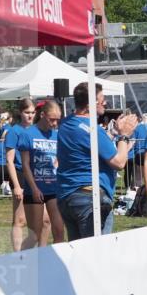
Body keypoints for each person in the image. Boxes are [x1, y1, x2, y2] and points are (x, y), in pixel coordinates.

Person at [57, 83, 138, 240]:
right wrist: (124, 135)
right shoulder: (93, 130)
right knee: (97, 254)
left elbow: (89, 147)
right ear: (90, 104)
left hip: (67, 197)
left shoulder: (67, 123)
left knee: (78, 252)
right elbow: (119, 162)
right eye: (102, 99)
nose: (105, 102)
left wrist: (113, 133)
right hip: (89, 198)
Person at [19, 100, 64, 247]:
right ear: (43, 115)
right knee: (35, 235)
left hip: (53, 188)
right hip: (35, 189)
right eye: (52, 119)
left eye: (57, 120)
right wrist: (34, 188)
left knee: (59, 231)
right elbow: (25, 164)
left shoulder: (56, 135)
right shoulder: (28, 134)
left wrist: (56, 166)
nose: (55, 123)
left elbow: (59, 157)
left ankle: (52, 263)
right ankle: (23, 261)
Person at [4, 99, 36, 251]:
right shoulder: (14, 131)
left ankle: (27, 251)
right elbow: (9, 160)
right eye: (27, 112)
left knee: (40, 221)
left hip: (37, 174)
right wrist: (16, 185)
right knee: (20, 219)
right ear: (20, 113)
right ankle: (17, 254)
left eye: (32, 112)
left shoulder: (36, 129)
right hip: (19, 174)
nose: (30, 116)